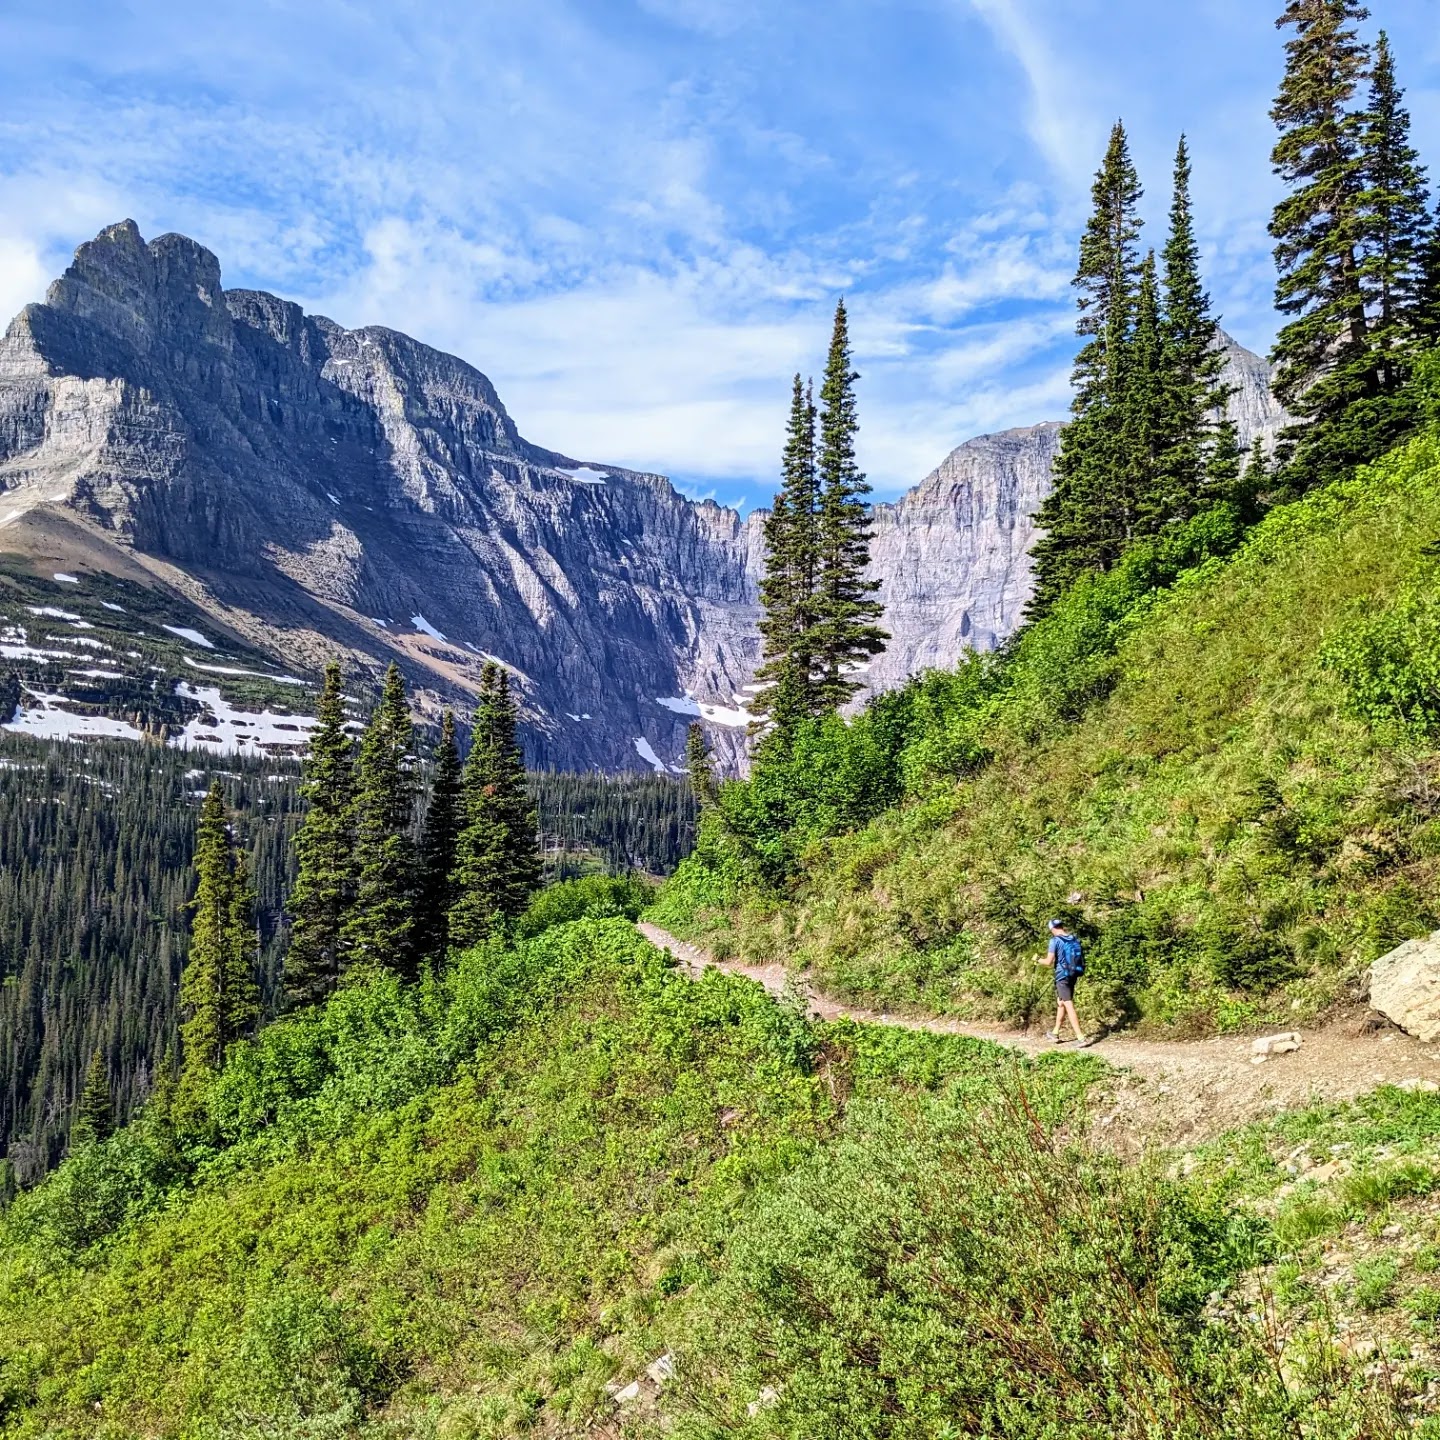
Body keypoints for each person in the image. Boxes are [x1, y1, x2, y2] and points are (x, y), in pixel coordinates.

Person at [1040, 919, 1094, 1047]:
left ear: (1052, 929)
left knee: (1068, 1004)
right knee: (1061, 1002)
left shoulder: (1055, 941)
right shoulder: (1073, 938)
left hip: (1062, 977)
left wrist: (1037, 959)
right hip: (1073, 974)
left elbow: (1048, 962)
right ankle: (1055, 1033)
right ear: (1062, 926)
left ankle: (1081, 1038)